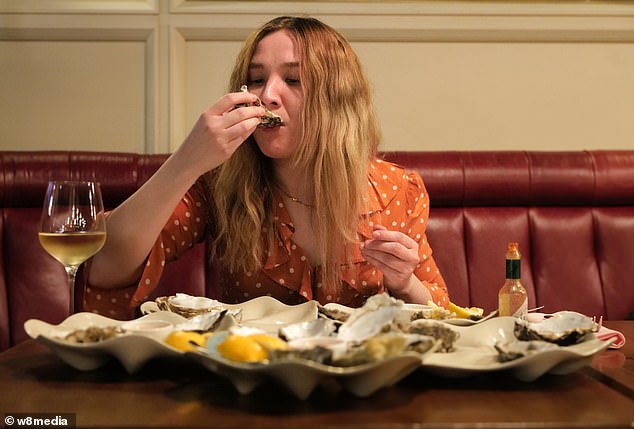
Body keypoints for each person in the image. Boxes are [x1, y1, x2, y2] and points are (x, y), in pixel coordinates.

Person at [86, 16, 449, 318]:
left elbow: (443, 314)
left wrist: (405, 283)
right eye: (257, 79)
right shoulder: (220, 184)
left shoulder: (397, 190)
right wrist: (185, 161)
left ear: (337, 101)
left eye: (293, 80)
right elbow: (100, 267)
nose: (267, 95)